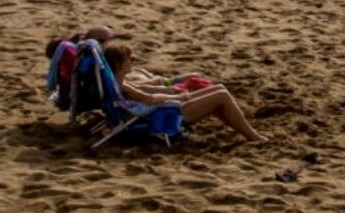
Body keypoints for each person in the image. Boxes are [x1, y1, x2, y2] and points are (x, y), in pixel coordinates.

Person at [103, 42, 263, 143]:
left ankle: (243, 129)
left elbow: (149, 91)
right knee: (221, 96)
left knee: (219, 88)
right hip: (163, 118)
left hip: (160, 110)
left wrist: (174, 87)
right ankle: (252, 136)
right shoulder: (122, 85)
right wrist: (177, 96)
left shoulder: (120, 82)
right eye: (129, 58)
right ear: (118, 63)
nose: (133, 60)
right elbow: (150, 98)